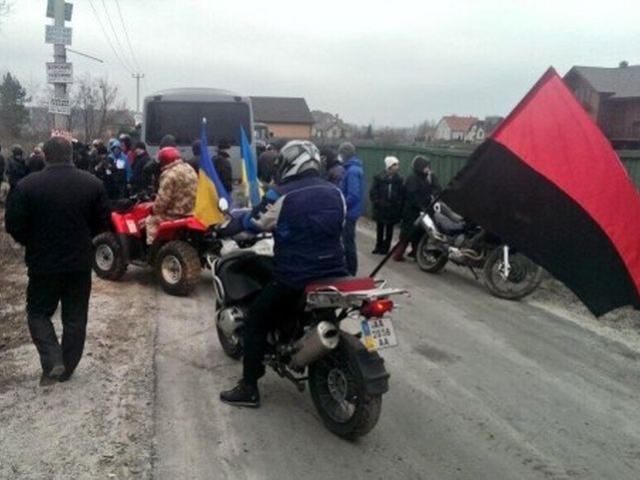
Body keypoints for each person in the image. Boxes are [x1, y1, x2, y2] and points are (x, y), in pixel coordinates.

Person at [220, 140, 347, 407]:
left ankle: (249, 388)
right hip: (336, 275)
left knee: (255, 320)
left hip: (296, 277)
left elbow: (254, 221)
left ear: (290, 163)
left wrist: (228, 226)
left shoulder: (282, 194)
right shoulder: (336, 193)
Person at [5, 136, 110, 386]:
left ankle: (53, 359)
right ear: (71, 155)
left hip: (43, 263)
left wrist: (31, 241)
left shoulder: (28, 186)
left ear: (45, 156)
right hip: (79, 263)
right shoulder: (92, 184)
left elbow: (13, 224)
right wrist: (84, 238)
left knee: (38, 313)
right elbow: (103, 222)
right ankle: (66, 367)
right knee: (75, 318)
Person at [145, 147, 198, 245]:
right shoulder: (189, 168)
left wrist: (152, 210)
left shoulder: (169, 174)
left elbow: (162, 201)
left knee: (150, 221)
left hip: (174, 214)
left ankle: (152, 250)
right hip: (191, 212)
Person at [394, 155, 441, 261]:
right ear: (419, 167)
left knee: (418, 234)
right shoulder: (413, 178)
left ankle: (415, 253)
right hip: (412, 211)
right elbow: (412, 196)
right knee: (406, 235)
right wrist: (421, 206)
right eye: (426, 166)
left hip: (422, 210)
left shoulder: (428, 177)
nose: (428, 168)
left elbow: (436, 189)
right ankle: (398, 254)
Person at [338, 142, 364, 276]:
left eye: (341, 153)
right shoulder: (352, 169)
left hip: (349, 212)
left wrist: (342, 205)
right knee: (348, 241)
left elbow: (353, 195)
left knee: (348, 242)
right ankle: (350, 269)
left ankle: (351, 270)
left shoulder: (352, 171)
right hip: (351, 211)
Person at [369, 156, 404, 255]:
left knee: (389, 229)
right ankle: (378, 246)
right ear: (389, 166)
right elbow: (373, 191)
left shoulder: (399, 179)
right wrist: (377, 201)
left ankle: (386, 248)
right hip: (381, 207)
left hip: (392, 208)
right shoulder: (379, 177)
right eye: (395, 165)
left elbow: (401, 193)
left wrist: (397, 203)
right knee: (380, 228)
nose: (397, 167)